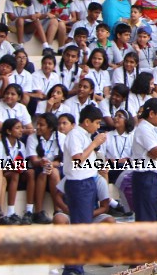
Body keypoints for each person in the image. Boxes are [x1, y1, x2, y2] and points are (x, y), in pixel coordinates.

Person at [61, 106, 106, 275]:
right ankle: (72, 268)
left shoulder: (85, 135)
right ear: (86, 121)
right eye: (96, 123)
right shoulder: (75, 135)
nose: (98, 127)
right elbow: (78, 159)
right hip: (78, 184)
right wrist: (95, 144)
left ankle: (77, 267)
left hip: (87, 182)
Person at [131, 97, 157, 222]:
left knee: (156, 217)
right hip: (147, 176)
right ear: (151, 114)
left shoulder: (154, 129)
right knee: (147, 219)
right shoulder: (144, 129)